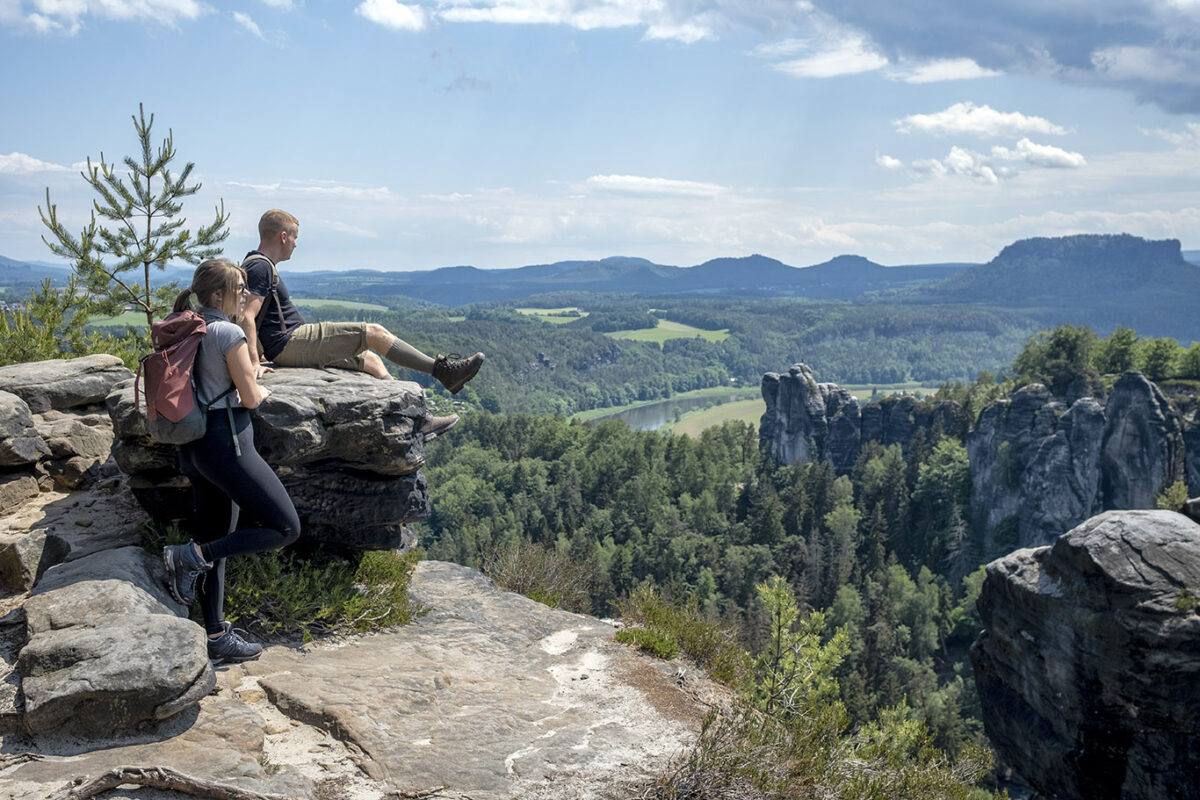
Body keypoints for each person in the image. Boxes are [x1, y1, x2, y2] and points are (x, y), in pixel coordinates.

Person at [162, 259, 301, 665]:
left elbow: (213, 378)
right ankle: (190, 557)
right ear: (219, 295)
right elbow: (252, 397)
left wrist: (248, 371)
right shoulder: (228, 330)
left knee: (215, 536)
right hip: (229, 443)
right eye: (239, 289)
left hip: (196, 447)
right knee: (285, 526)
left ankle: (215, 634)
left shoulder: (189, 324)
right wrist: (258, 382)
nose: (245, 296)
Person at [240, 209, 483, 438]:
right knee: (375, 333)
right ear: (283, 236)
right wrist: (252, 363)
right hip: (289, 342)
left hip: (286, 344)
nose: (296, 243)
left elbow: (256, 317)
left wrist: (258, 353)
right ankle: (443, 371)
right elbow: (246, 316)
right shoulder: (260, 266)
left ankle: (418, 419)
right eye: (294, 237)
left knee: (371, 361)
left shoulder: (257, 264)